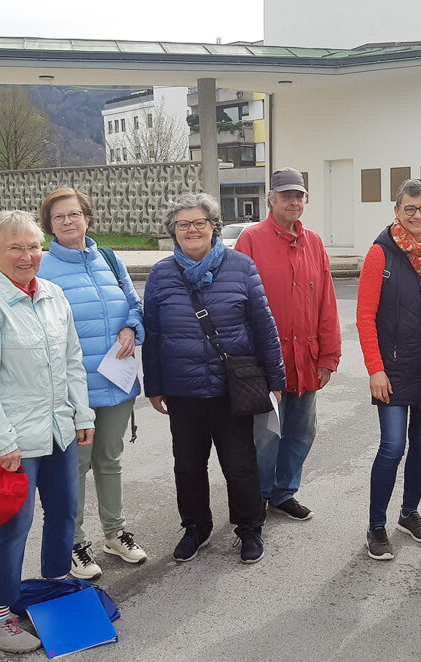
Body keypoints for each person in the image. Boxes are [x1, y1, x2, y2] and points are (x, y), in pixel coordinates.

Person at [0, 210, 95, 654]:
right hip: (12, 441)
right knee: (14, 526)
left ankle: (53, 586)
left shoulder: (52, 294)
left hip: (58, 429)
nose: (26, 255)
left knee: (66, 512)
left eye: (33, 246)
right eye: (14, 247)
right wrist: (1, 444)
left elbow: (72, 359)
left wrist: (82, 415)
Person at [142, 192, 285, 564]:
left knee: (239, 463)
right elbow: (153, 334)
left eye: (199, 223)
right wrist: (154, 385)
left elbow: (264, 327)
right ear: (173, 231)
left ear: (213, 227)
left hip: (231, 388)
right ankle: (195, 527)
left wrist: (275, 379)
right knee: (188, 464)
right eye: (183, 224)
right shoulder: (160, 275)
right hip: (182, 388)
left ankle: (249, 529)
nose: (192, 230)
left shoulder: (241, 266)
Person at [36, 187, 147, 580]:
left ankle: (115, 534)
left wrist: (133, 329)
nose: (68, 222)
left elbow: (136, 305)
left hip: (116, 382)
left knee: (110, 460)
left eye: (75, 214)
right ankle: (74, 543)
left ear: (88, 217)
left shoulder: (111, 260)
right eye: (59, 217)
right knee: (76, 466)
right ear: (49, 225)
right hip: (72, 390)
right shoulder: (43, 268)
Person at [235, 168, 342, 521]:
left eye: (299, 196)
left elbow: (326, 301)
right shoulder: (250, 240)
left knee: (301, 431)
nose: (294, 202)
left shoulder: (313, 242)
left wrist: (328, 355)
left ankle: (284, 492)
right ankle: (259, 495)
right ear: (271, 199)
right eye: (286, 196)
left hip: (306, 358)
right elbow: (237, 303)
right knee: (266, 436)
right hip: (267, 360)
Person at [356, 178, 421, 560]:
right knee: (393, 445)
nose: (417, 215)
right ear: (397, 211)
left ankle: (408, 513)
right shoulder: (380, 253)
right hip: (391, 369)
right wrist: (375, 369)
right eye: (409, 209)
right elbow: (365, 317)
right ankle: (376, 526)